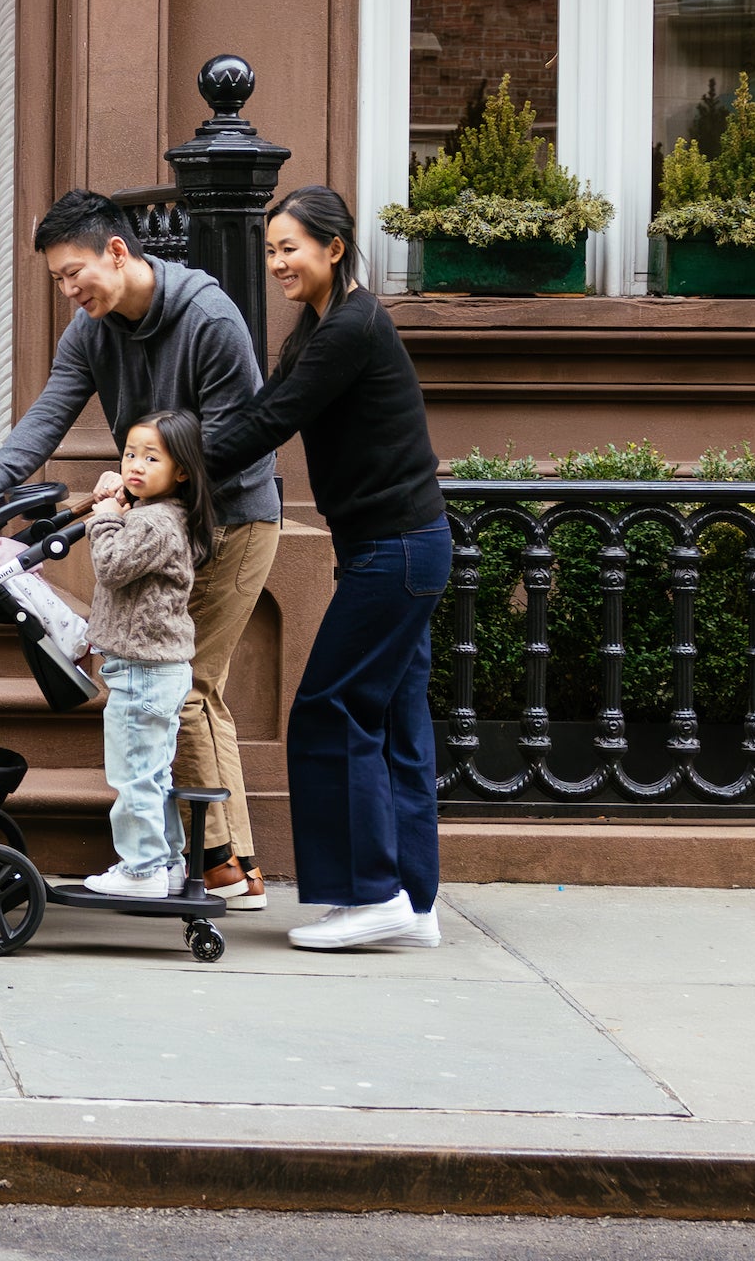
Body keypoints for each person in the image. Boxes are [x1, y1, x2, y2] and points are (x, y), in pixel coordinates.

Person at [0, 189, 280, 908]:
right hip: (159, 519)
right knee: (186, 688)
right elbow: (51, 409)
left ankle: (221, 860)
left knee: (185, 684)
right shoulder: (91, 330)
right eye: (58, 279)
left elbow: (235, 439)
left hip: (233, 519)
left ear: (117, 253)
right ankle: (225, 862)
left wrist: (135, 503)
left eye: (73, 274)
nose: (68, 290)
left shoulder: (209, 319)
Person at [207, 183, 450, 952]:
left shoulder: (350, 327)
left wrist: (170, 467)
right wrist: (180, 447)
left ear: (333, 248)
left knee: (327, 710)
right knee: (394, 724)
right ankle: (412, 903)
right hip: (396, 550)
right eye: (270, 249)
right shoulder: (320, 330)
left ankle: (367, 894)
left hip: (396, 552)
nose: (277, 262)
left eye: (290, 248)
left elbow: (273, 423)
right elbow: (262, 408)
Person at [80, 411, 214, 899]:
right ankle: (168, 864)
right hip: (154, 669)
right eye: (130, 454)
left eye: (151, 457)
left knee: (134, 773)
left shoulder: (156, 521)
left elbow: (112, 567)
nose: (135, 465)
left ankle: (140, 870)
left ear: (182, 470)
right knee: (153, 773)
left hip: (143, 672)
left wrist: (105, 517)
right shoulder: (157, 516)